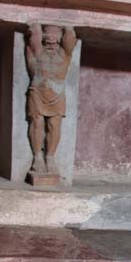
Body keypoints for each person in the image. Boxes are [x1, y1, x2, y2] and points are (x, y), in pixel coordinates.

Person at [26, 22, 77, 175]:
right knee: (38, 122)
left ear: (60, 41)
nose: (51, 43)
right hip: (38, 92)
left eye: (55, 40)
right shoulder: (38, 52)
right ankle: (37, 157)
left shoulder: (64, 55)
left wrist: (68, 25)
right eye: (47, 39)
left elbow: (70, 40)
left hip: (57, 94)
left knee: (55, 125)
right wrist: (36, 27)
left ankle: (50, 157)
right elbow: (34, 34)